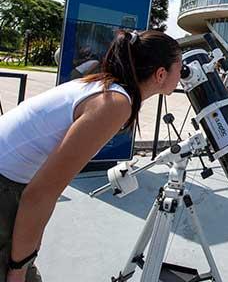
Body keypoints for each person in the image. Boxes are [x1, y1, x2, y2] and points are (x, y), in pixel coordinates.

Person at [0, 30, 182, 282]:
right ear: (161, 74)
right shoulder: (115, 103)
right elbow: (40, 194)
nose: (182, 75)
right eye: (179, 68)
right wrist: (18, 268)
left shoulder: (104, 85)